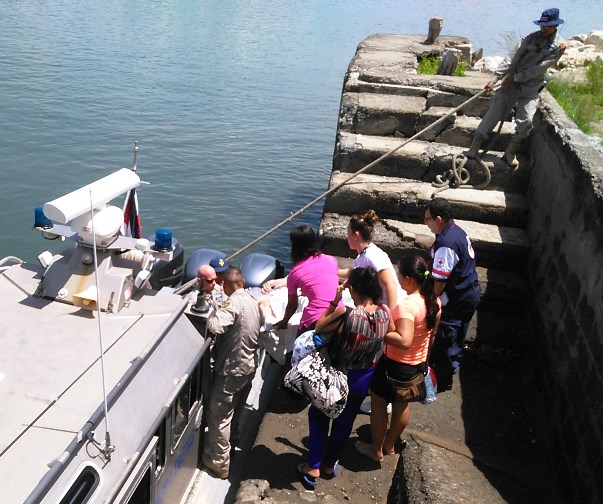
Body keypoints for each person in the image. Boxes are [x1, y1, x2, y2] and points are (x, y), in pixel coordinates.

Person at [296, 267, 389, 490]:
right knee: (344, 421)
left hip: (339, 374)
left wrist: (334, 299)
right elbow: (389, 333)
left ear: (353, 289)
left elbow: (318, 327)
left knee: (319, 414)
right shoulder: (385, 312)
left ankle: (315, 466)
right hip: (364, 375)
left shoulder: (346, 313)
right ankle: (330, 465)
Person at [355, 255, 441, 462]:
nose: (398, 280)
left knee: (378, 403)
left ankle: (376, 451)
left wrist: (377, 330)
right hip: (417, 364)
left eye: (400, 276)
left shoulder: (407, 306)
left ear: (410, 279)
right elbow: (432, 336)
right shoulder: (433, 301)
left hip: (396, 364)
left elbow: (403, 340)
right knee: (402, 405)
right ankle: (389, 444)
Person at [464, 8, 567, 167]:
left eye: (547, 26)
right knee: (493, 114)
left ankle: (510, 152)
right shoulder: (530, 38)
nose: (543, 29)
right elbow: (512, 57)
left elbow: (538, 69)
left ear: (555, 26)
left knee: (525, 122)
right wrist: (496, 77)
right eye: (542, 25)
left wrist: (516, 79)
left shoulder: (557, 47)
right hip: (510, 83)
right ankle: (474, 148)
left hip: (530, 88)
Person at [202, 266, 263, 480]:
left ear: (225, 285)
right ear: (243, 282)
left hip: (231, 370)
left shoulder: (232, 303)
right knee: (235, 411)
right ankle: (232, 442)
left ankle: (219, 463)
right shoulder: (252, 302)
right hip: (249, 367)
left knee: (219, 416)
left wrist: (209, 311)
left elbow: (216, 326)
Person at [424, 199, 480, 390]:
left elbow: (440, 280)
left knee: (446, 336)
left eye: (428, 220)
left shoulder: (447, 243)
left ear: (438, 219)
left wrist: (430, 303)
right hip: (469, 291)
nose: (427, 224)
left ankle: (441, 377)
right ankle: (450, 368)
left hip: (457, 297)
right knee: (458, 335)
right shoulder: (457, 232)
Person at [272, 225, 340, 335]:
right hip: (339, 314)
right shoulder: (332, 260)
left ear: (295, 247)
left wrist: (284, 322)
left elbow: (292, 306)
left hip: (316, 320)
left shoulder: (295, 272)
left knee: (300, 345)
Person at [340, 210, 405, 316]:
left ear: (355, 235)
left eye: (348, 234)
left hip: (392, 307)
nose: (347, 237)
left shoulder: (373, 256)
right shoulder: (363, 254)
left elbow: (390, 284)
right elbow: (351, 273)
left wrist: (390, 317)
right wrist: (329, 271)